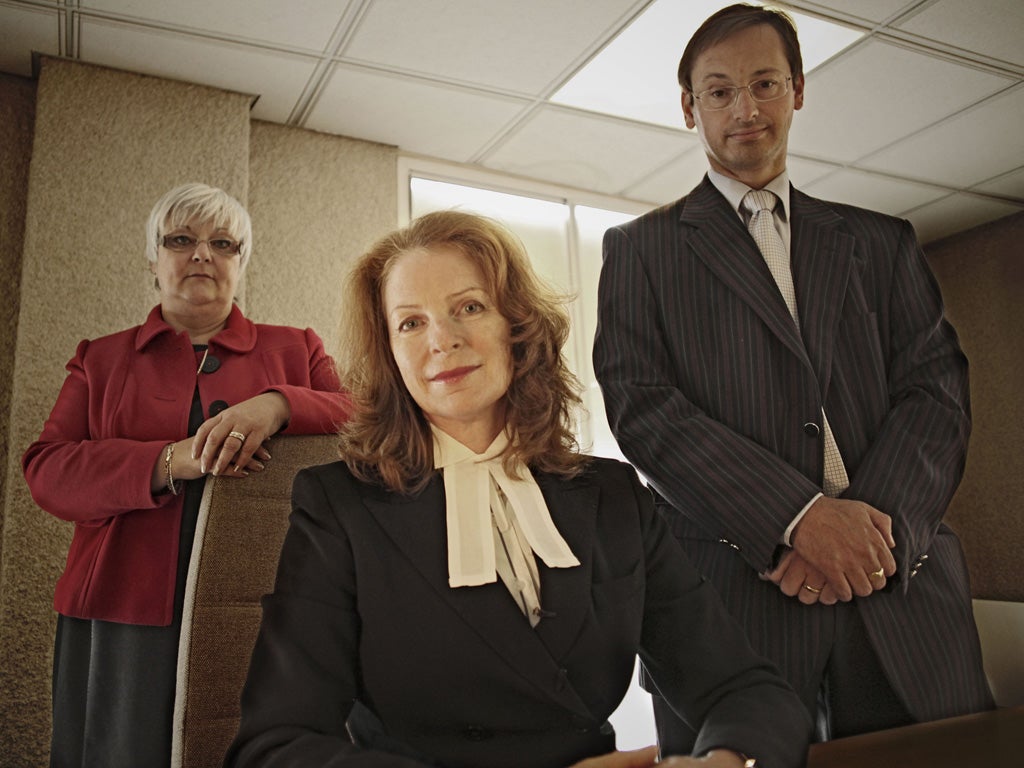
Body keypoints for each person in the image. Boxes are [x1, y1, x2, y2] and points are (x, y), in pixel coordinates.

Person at [224, 210, 812, 768]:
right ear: (391, 355)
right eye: (411, 322)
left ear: (517, 327)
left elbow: (744, 688)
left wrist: (728, 760)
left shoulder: (613, 494)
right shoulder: (338, 506)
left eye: (469, 307)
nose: (442, 340)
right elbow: (276, 746)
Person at [592, 2, 994, 752]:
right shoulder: (640, 252)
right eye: (719, 91)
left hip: (899, 592)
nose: (745, 108)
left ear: (798, 90)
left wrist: (870, 534)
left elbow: (936, 393)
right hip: (730, 608)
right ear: (689, 108)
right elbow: (644, 409)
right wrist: (798, 519)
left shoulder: (883, 242)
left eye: (765, 83)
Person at [22, 182, 351, 767]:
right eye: (181, 240)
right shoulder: (99, 358)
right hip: (122, 601)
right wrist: (171, 459)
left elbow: (365, 420)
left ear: (240, 264)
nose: (202, 254)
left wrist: (277, 404)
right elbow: (47, 470)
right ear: (154, 261)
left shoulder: (296, 348)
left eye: (222, 243)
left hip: (265, 597)